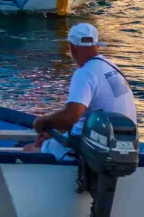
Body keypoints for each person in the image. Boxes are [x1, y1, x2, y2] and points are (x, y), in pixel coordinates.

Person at [27, 22, 137, 159]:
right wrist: (55, 130)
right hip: (124, 144)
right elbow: (99, 108)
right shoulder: (112, 68)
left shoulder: (85, 73)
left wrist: (41, 122)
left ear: (72, 47)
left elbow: (70, 117)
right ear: (97, 45)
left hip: (87, 149)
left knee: (29, 150)